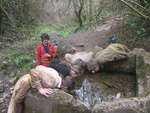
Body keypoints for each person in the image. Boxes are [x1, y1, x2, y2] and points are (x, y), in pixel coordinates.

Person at [7, 65, 75, 113]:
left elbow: (40, 67)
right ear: (65, 87)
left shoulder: (57, 76)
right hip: (26, 81)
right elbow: (33, 71)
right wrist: (40, 89)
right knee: (17, 100)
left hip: (29, 80)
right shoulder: (52, 81)